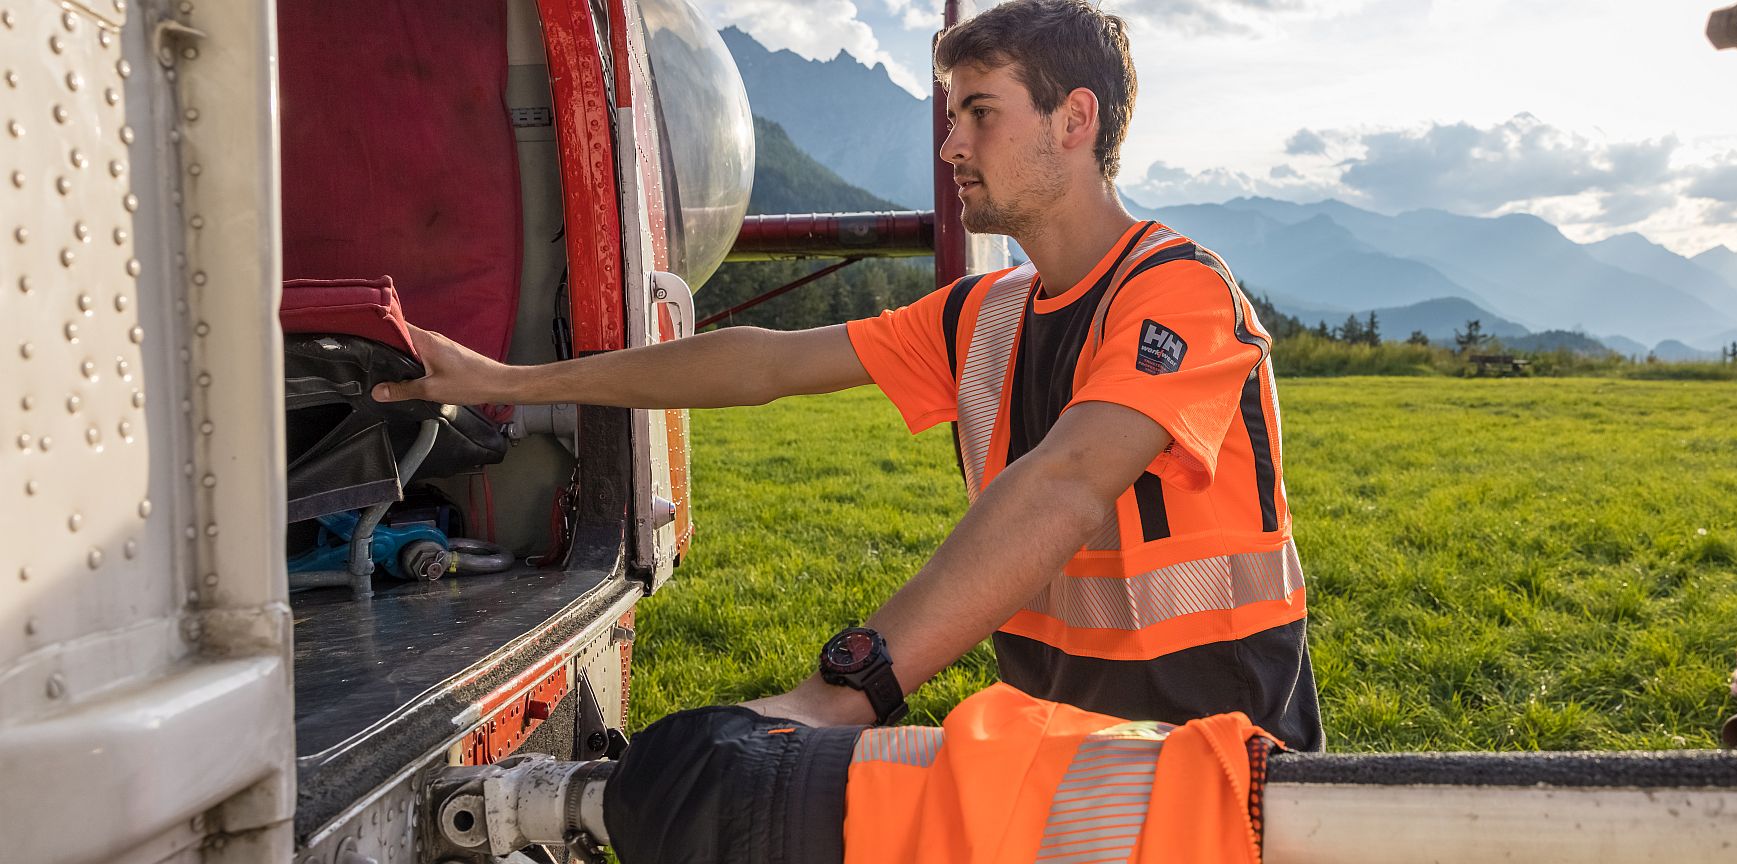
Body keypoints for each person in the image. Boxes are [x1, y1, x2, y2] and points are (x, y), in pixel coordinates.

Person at [374, 0, 1322, 750]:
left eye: (980, 113)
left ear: (1075, 119)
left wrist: (849, 689)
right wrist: (510, 378)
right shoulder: (983, 313)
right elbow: (767, 362)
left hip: (1220, 747)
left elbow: (1067, 485)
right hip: (1063, 742)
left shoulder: (1178, 293)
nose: (951, 147)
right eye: (951, 117)